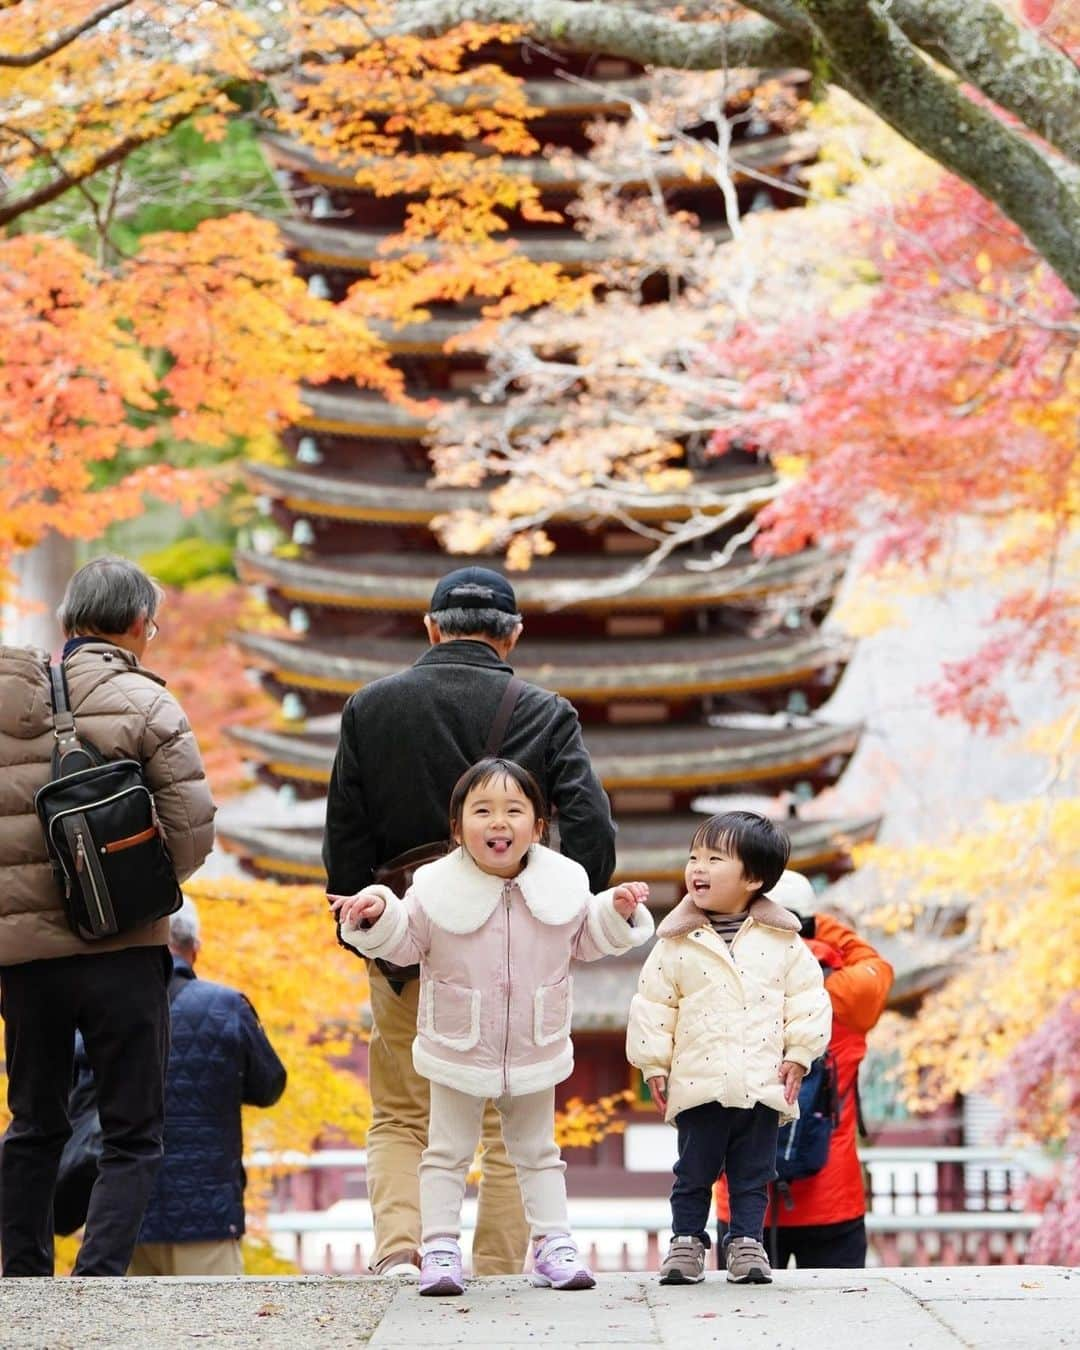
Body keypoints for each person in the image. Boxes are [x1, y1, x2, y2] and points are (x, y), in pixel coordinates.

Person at [323, 565, 617, 1279]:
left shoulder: (370, 707)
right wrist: (561, 912)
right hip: (513, 946)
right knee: (509, 1110)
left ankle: (402, 1251)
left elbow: (345, 843)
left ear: (430, 630)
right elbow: (593, 834)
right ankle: (490, 1264)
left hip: (405, 937)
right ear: (512, 636)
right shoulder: (545, 710)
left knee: (401, 1109)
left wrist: (367, 932)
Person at [330, 757, 653, 1296]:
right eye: (481, 811)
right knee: (446, 1150)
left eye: (513, 810)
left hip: (534, 1044)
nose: (497, 822)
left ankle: (554, 1243)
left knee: (538, 1151)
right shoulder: (434, 888)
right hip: (458, 1044)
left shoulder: (562, 885)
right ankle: (438, 1246)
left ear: (538, 827)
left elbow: (586, 941)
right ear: (457, 828)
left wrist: (614, 914)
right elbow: (405, 942)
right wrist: (375, 914)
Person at [0, 556, 216, 1277]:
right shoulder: (145, 700)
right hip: (123, 950)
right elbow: (191, 832)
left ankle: (23, 1281)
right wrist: (129, 896)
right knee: (132, 1130)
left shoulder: (5, 698)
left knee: (33, 1120)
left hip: (25, 959)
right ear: (133, 624)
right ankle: (97, 1283)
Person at [626, 810, 831, 1286]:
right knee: (692, 1169)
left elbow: (808, 999)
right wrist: (653, 1062)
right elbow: (654, 1004)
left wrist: (800, 1054)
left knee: (754, 1172)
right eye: (694, 856)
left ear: (754, 878)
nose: (697, 867)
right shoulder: (677, 942)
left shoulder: (783, 942)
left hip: (762, 1079)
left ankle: (745, 1243)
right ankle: (686, 1242)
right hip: (699, 1077)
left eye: (714, 858)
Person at [715, 905, 894, 1268]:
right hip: (833, 1196)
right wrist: (821, 923)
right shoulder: (846, 990)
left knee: (745, 1319)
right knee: (837, 1316)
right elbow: (876, 964)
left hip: (743, 1201)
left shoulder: (726, 978)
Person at [129, 899, 287, 1276]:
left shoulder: (108, 1009)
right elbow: (269, 1085)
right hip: (207, 1213)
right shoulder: (226, 1006)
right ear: (194, 949)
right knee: (215, 1331)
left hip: (123, 1216)